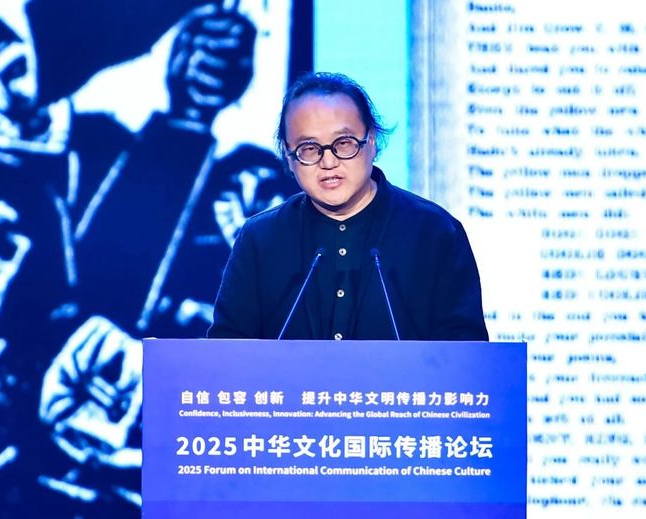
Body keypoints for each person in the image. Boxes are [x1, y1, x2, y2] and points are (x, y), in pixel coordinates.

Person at [208, 72, 489, 341]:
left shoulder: (435, 233)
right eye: (309, 148)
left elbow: (466, 354)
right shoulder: (259, 239)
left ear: (372, 141)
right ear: (288, 156)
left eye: (343, 143)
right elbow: (227, 351)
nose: (328, 162)